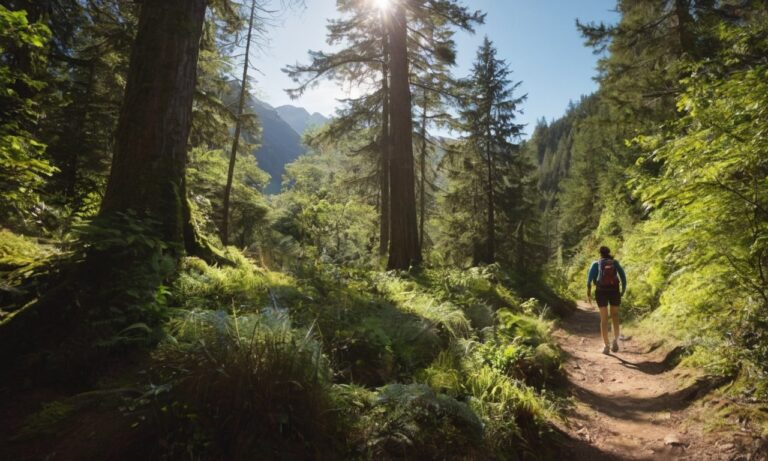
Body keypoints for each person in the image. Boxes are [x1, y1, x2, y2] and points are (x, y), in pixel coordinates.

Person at [586, 246, 627, 354]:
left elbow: (589, 280)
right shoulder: (614, 263)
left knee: (604, 319)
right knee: (615, 316)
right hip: (614, 291)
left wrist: (589, 293)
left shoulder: (596, 264)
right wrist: (623, 290)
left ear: (600, 253)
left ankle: (606, 345)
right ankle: (616, 341)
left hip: (601, 292)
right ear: (609, 253)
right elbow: (623, 277)